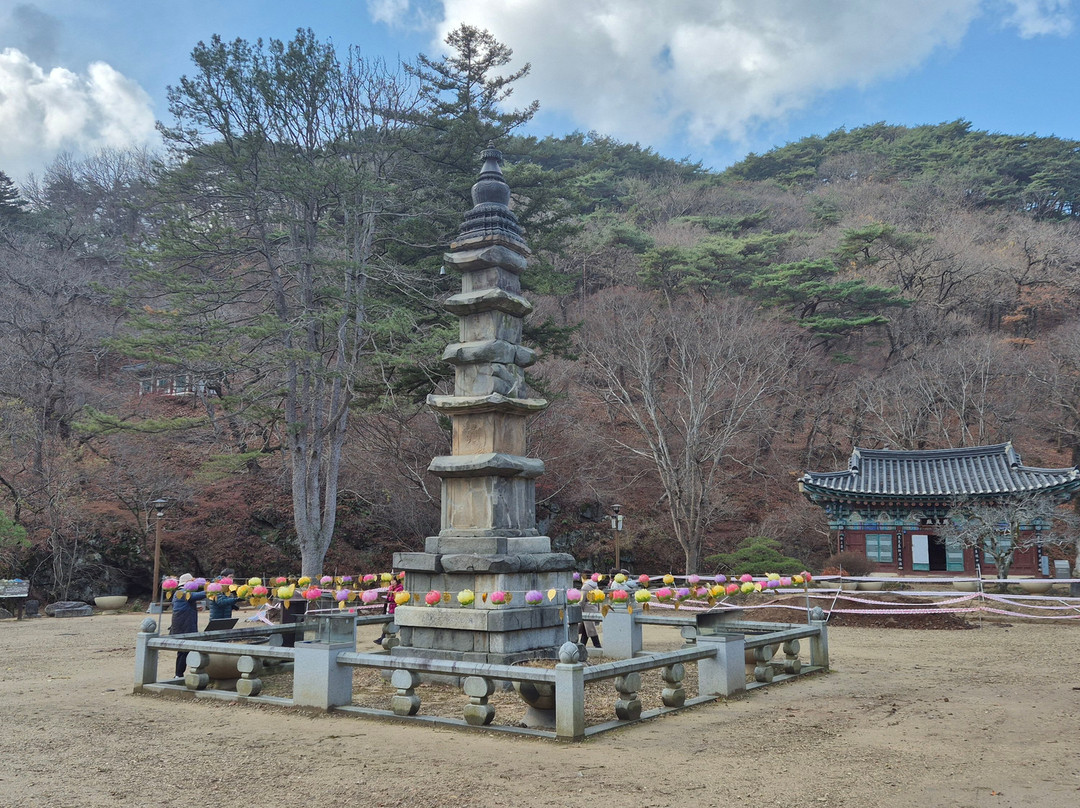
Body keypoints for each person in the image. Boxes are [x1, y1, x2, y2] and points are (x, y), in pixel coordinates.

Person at [169, 573, 205, 677]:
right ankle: (178, 675)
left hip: (183, 626)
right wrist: (211, 590)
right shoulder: (183, 593)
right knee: (183, 652)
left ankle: (179, 674)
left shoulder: (179, 593)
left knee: (184, 652)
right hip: (184, 627)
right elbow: (197, 595)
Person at [578, 578, 601, 648]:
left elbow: (582, 599)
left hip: (587, 609)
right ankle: (582, 644)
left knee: (590, 629)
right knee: (586, 629)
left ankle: (597, 645)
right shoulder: (595, 586)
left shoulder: (586, 587)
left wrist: (579, 608)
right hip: (594, 607)